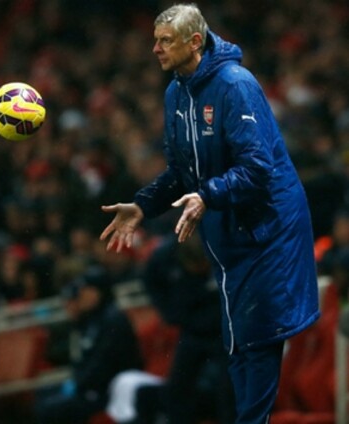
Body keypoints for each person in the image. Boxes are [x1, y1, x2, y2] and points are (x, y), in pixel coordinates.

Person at [99, 4, 320, 423]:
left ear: (195, 42)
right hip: (228, 230)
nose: (155, 49)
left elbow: (258, 168)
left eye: (165, 41)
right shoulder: (176, 93)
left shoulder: (236, 85)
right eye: (155, 40)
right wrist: (143, 205)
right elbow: (181, 172)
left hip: (268, 229)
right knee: (237, 342)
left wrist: (207, 195)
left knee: (257, 338)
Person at [136, 234, 235, 424]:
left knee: (228, 387)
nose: (200, 271)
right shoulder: (164, 257)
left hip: (224, 331)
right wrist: (170, 313)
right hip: (191, 330)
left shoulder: (224, 249)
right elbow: (151, 282)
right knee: (178, 387)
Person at [35, 264, 144, 424]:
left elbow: (104, 364)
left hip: (111, 391)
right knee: (44, 394)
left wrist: (79, 384)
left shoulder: (113, 320)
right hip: (91, 387)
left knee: (51, 409)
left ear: (97, 292)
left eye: (85, 291)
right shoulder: (91, 320)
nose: (81, 297)